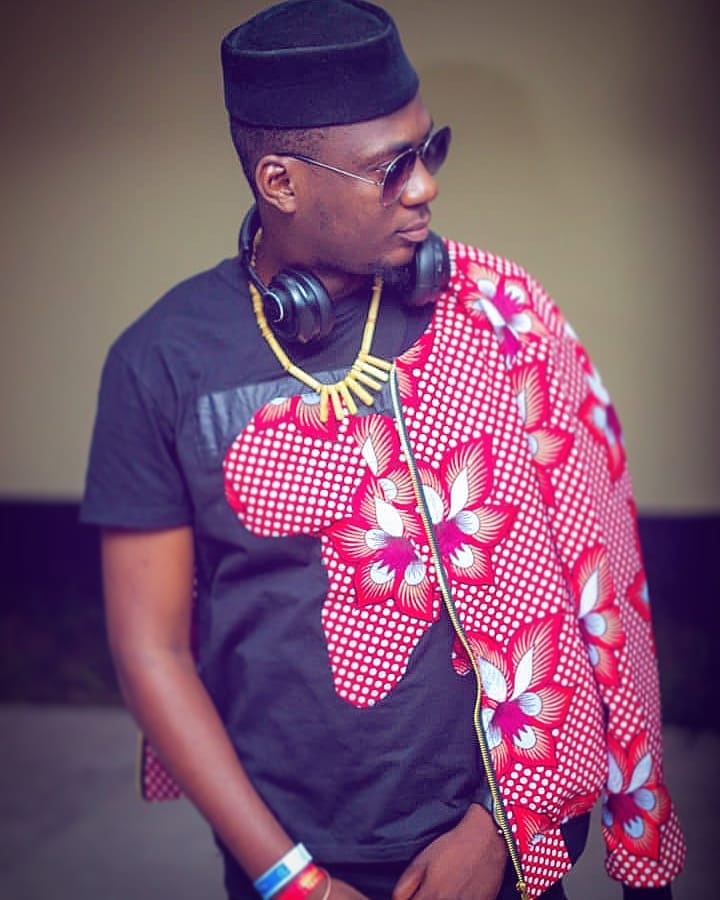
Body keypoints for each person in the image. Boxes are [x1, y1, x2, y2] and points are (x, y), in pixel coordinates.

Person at [81, 2, 686, 898]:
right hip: (285, 852)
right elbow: (152, 653)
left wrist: (498, 828)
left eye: (429, 149)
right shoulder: (161, 362)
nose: (425, 187)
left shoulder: (501, 316)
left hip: (501, 845)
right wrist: (293, 879)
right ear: (281, 182)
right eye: (389, 167)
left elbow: (588, 583)